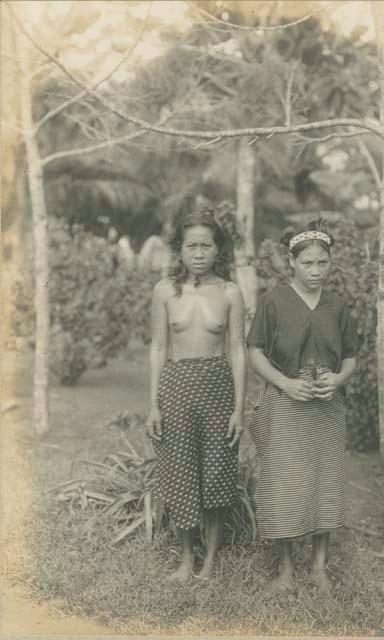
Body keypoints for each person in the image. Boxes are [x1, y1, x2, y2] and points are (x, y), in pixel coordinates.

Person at [247, 219, 358, 591]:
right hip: (286, 402)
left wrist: (337, 380)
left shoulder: (337, 306)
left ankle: (319, 567)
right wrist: (285, 383)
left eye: (322, 263)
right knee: (285, 483)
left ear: (330, 263)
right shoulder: (274, 301)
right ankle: (284, 570)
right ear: (291, 262)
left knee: (324, 482)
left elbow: (352, 357)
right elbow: (255, 352)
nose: (315, 270)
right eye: (307, 263)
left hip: (326, 407)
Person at [146, 211, 246, 583]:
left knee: (218, 470)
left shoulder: (230, 292)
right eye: (192, 245)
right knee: (180, 469)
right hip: (177, 384)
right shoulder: (165, 292)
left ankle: (210, 562)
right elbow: (158, 347)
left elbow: (236, 349)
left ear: (218, 249)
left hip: (218, 384)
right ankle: (186, 561)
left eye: (207, 245)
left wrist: (238, 408)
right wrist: (153, 403)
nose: (199, 253)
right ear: (180, 250)